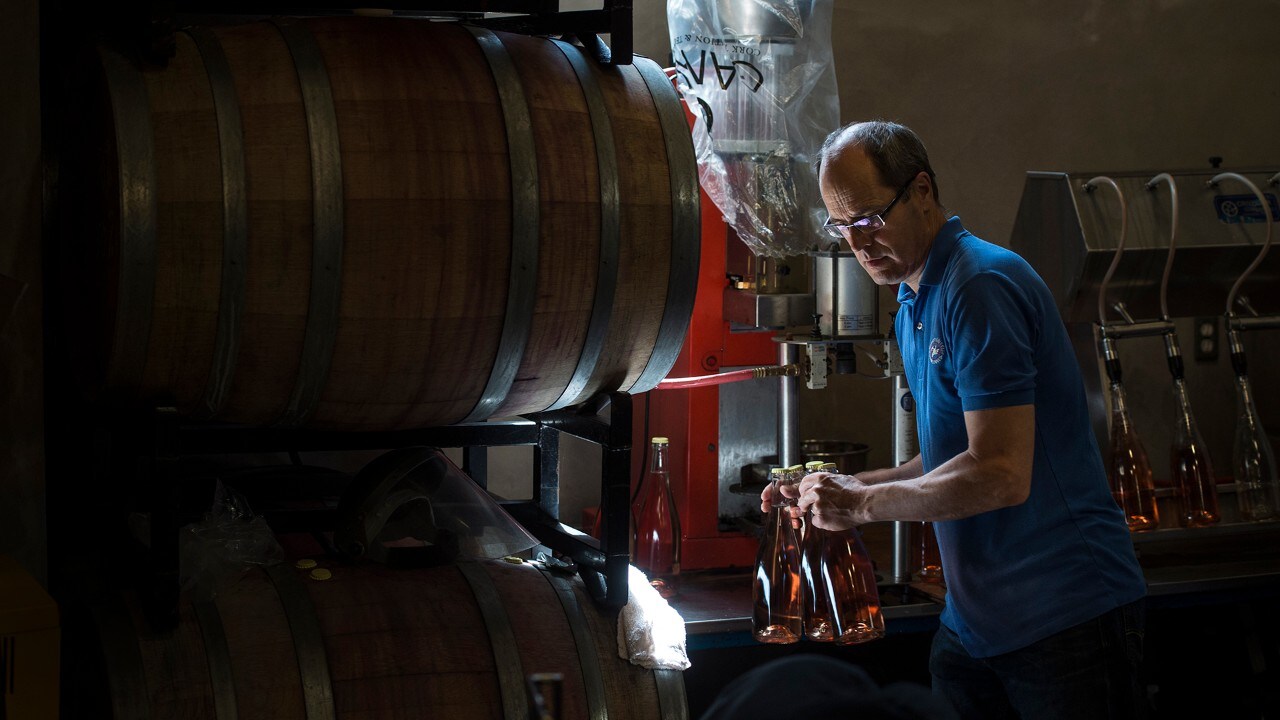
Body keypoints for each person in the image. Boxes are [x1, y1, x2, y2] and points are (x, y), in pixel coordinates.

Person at [762, 120, 1148, 719]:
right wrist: (836, 491)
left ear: (921, 192)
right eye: (842, 228)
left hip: (1063, 617)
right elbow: (945, 460)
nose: (858, 247)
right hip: (976, 626)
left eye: (868, 220)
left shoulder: (980, 285)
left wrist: (860, 507)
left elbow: (999, 473)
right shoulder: (917, 301)